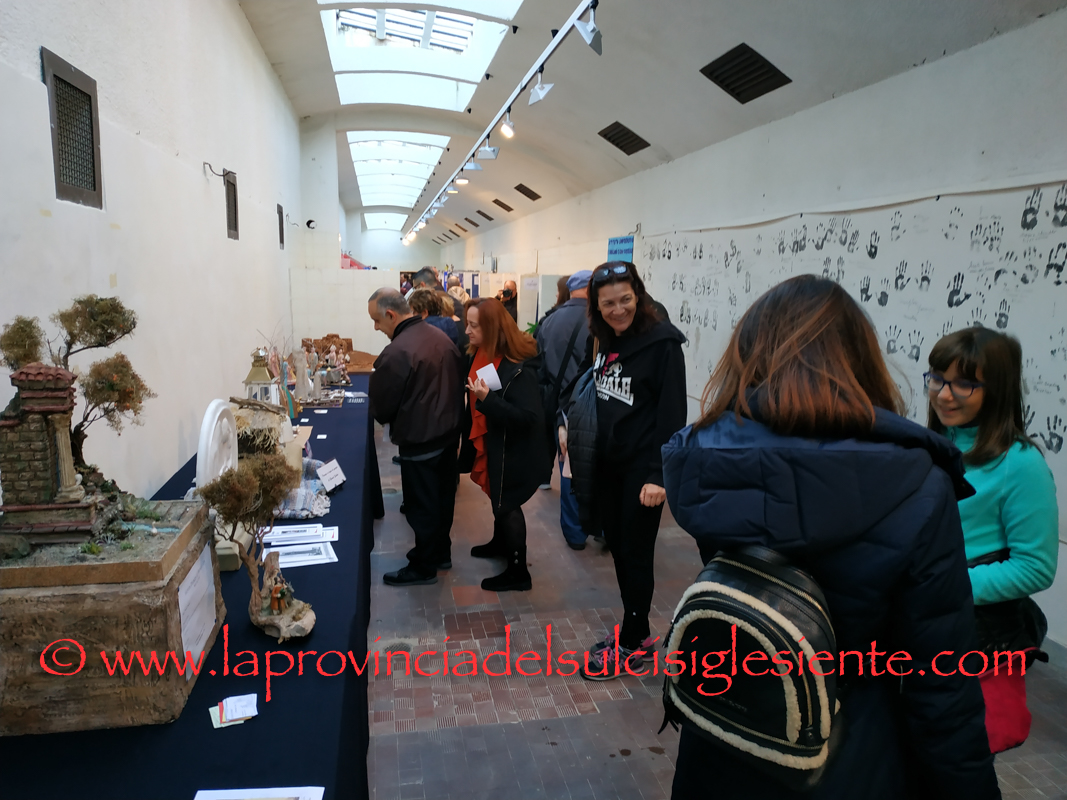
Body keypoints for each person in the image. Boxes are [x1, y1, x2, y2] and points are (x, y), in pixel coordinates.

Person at [662, 275, 999, 799]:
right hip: (845, 753)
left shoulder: (705, 455)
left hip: (724, 724)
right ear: (859, 361)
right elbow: (941, 683)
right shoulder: (916, 482)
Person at [560, 261, 687, 678]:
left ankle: (633, 642)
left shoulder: (663, 343)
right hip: (607, 466)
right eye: (608, 303)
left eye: (626, 300)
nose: (619, 310)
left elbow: (672, 414)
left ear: (639, 295)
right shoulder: (603, 339)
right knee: (617, 547)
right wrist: (565, 423)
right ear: (596, 306)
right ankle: (637, 631)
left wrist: (658, 475)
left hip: (641, 473)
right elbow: (586, 386)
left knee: (636, 554)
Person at [367, 288, 463, 586]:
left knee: (422, 506)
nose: (376, 327)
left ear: (390, 314)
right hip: (448, 435)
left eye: (377, 321)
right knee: (443, 500)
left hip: (420, 439)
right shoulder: (441, 338)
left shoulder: (397, 351)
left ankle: (423, 566)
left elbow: (382, 407)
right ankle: (441, 553)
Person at [460, 297, 547, 591]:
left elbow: (528, 418)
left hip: (514, 449)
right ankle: (501, 543)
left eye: (474, 326)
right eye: (468, 324)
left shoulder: (519, 368)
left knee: (508, 504)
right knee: (497, 497)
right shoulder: (482, 354)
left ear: (492, 328)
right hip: (496, 441)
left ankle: (518, 572)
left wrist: (489, 401)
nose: (467, 331)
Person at [535, 270, 593, 549]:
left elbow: (539, 362)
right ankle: (600, 526)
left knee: (568, 468)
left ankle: (574, 532)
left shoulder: (549, 320)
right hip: (594, 402)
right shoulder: (599, 320)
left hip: (561, 404)